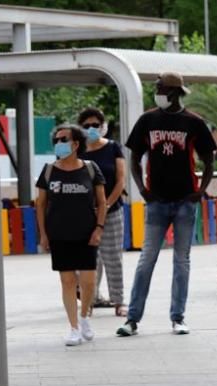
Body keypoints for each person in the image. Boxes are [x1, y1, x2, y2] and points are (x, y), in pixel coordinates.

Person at [118, 72, 217, 337]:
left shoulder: (193, 123)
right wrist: (142, 190)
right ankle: (132, 319)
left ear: (174, 93)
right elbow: (135, 156)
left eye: (160, 88)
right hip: (157, 202)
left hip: (185, 201)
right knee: (146, 259)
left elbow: (209, 160)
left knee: (181, 261)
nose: (157, 92)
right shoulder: (148, 120)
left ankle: (178, 317)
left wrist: (200, 192)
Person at [34, 125, 106, 346]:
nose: (59, 143)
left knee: (88, 282)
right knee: (67, 281)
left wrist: (99, 228)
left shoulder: (91, 169)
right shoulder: (48, 171)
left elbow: (102, 202)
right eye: (56, 139)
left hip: (86, 234)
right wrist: (44, 235)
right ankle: (74, 328)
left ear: (76, 144)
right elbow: (41, 204)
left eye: (63, 139)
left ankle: (84, 317)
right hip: (59, 235)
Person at [78, 107, 127, 317]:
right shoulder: (77, 151)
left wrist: (106, 206)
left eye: (95, 125)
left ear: (103, 126)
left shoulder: (113, 148)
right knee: (89, 259)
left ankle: (118, 301)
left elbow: (120, 180)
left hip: (112, 210)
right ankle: (89, 301)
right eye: (86, 126)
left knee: (112, 257)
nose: (91, 129)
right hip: (85, 213)